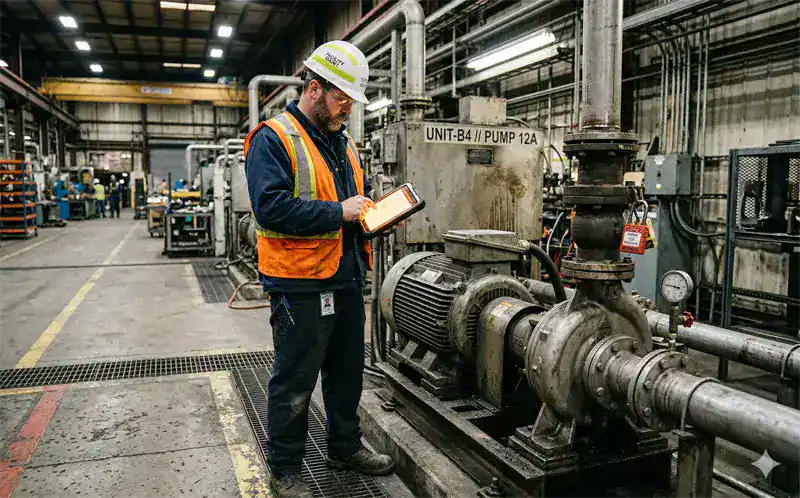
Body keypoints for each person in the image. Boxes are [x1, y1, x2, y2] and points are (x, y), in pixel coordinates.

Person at [244, 40, 394, 498]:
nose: (348, 108)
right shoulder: (274, 138)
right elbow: (270, 208)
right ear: (314, 89)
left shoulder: (344, 143)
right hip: (299, 284)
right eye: (342, 98)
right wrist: (340, 212)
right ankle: (286, 468)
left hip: (346, 277)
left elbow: (349, 208)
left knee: (347, 373)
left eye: (351, 101)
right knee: (295, 379)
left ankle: (344, 447)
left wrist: (372, 218)